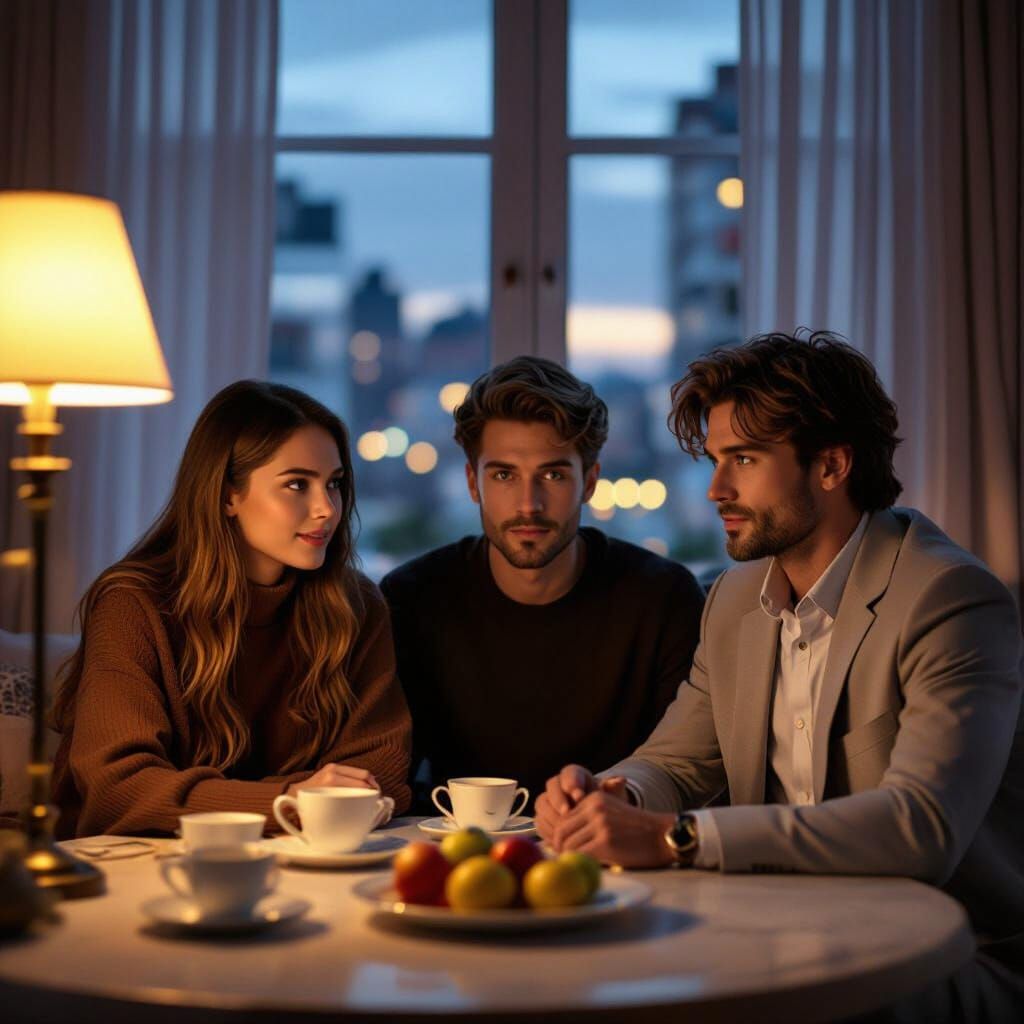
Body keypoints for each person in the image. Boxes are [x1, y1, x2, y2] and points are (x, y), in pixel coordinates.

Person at [536, 332, 1023, 1017]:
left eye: (743, 460)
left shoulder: (948, 598)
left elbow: (921, 827)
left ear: (830, 465)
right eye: (714, 460)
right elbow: (676, 764)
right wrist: (615, 795)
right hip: (789, 928)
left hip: (948, 951)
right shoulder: (736, 600)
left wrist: (679, 839)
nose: (716, 489)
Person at [52, 381, 412, 838]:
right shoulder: (133, 604)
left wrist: (281, 802)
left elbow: (382, 773)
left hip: (296, 859)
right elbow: (119, 790)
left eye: (335, 484)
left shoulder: (356, 605)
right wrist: (288, 801)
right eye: (297, 484)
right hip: (130, 866)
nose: (326, 508)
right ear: (227, 495)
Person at [381, 356, 705, 808]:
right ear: (473, 483)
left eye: (553, 474)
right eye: (503, 475)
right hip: (461, 852)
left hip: (617, 850)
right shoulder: (412, 598)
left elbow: (685, 772)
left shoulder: (662, 598)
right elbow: (390, 778)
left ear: (589, 481)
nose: (528, 503)